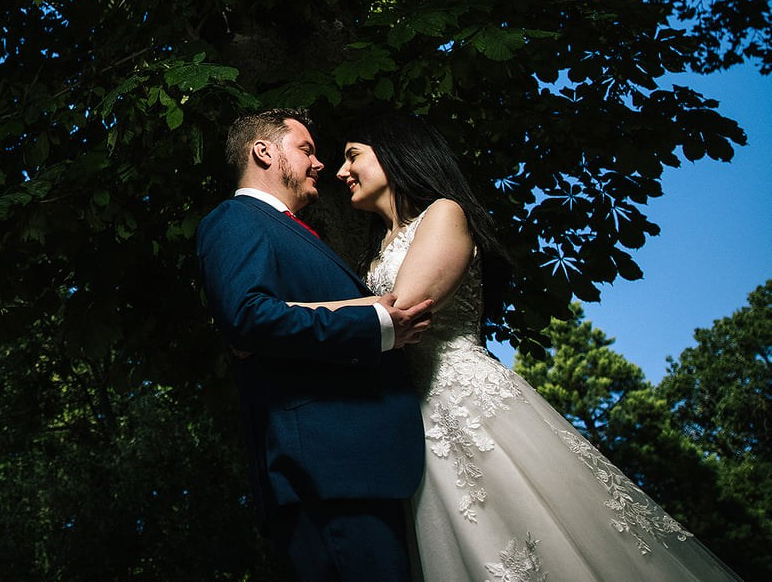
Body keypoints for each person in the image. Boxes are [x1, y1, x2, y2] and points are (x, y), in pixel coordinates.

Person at [306, 113, 742, 582]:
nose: (340, 171)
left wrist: (291, 314)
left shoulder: (444, 212)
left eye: (353, 156)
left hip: (465, 401)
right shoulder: (376, 251)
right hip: (413, 419)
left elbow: (404, 306)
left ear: (395, 152)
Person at [197, 109, 436, 582]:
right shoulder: (236, 219)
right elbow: (248, 316)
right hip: (323, 472)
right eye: (306, 149)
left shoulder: (296, 233)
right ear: (264, 152)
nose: (321, 163)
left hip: (360, 470)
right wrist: (377, 323)